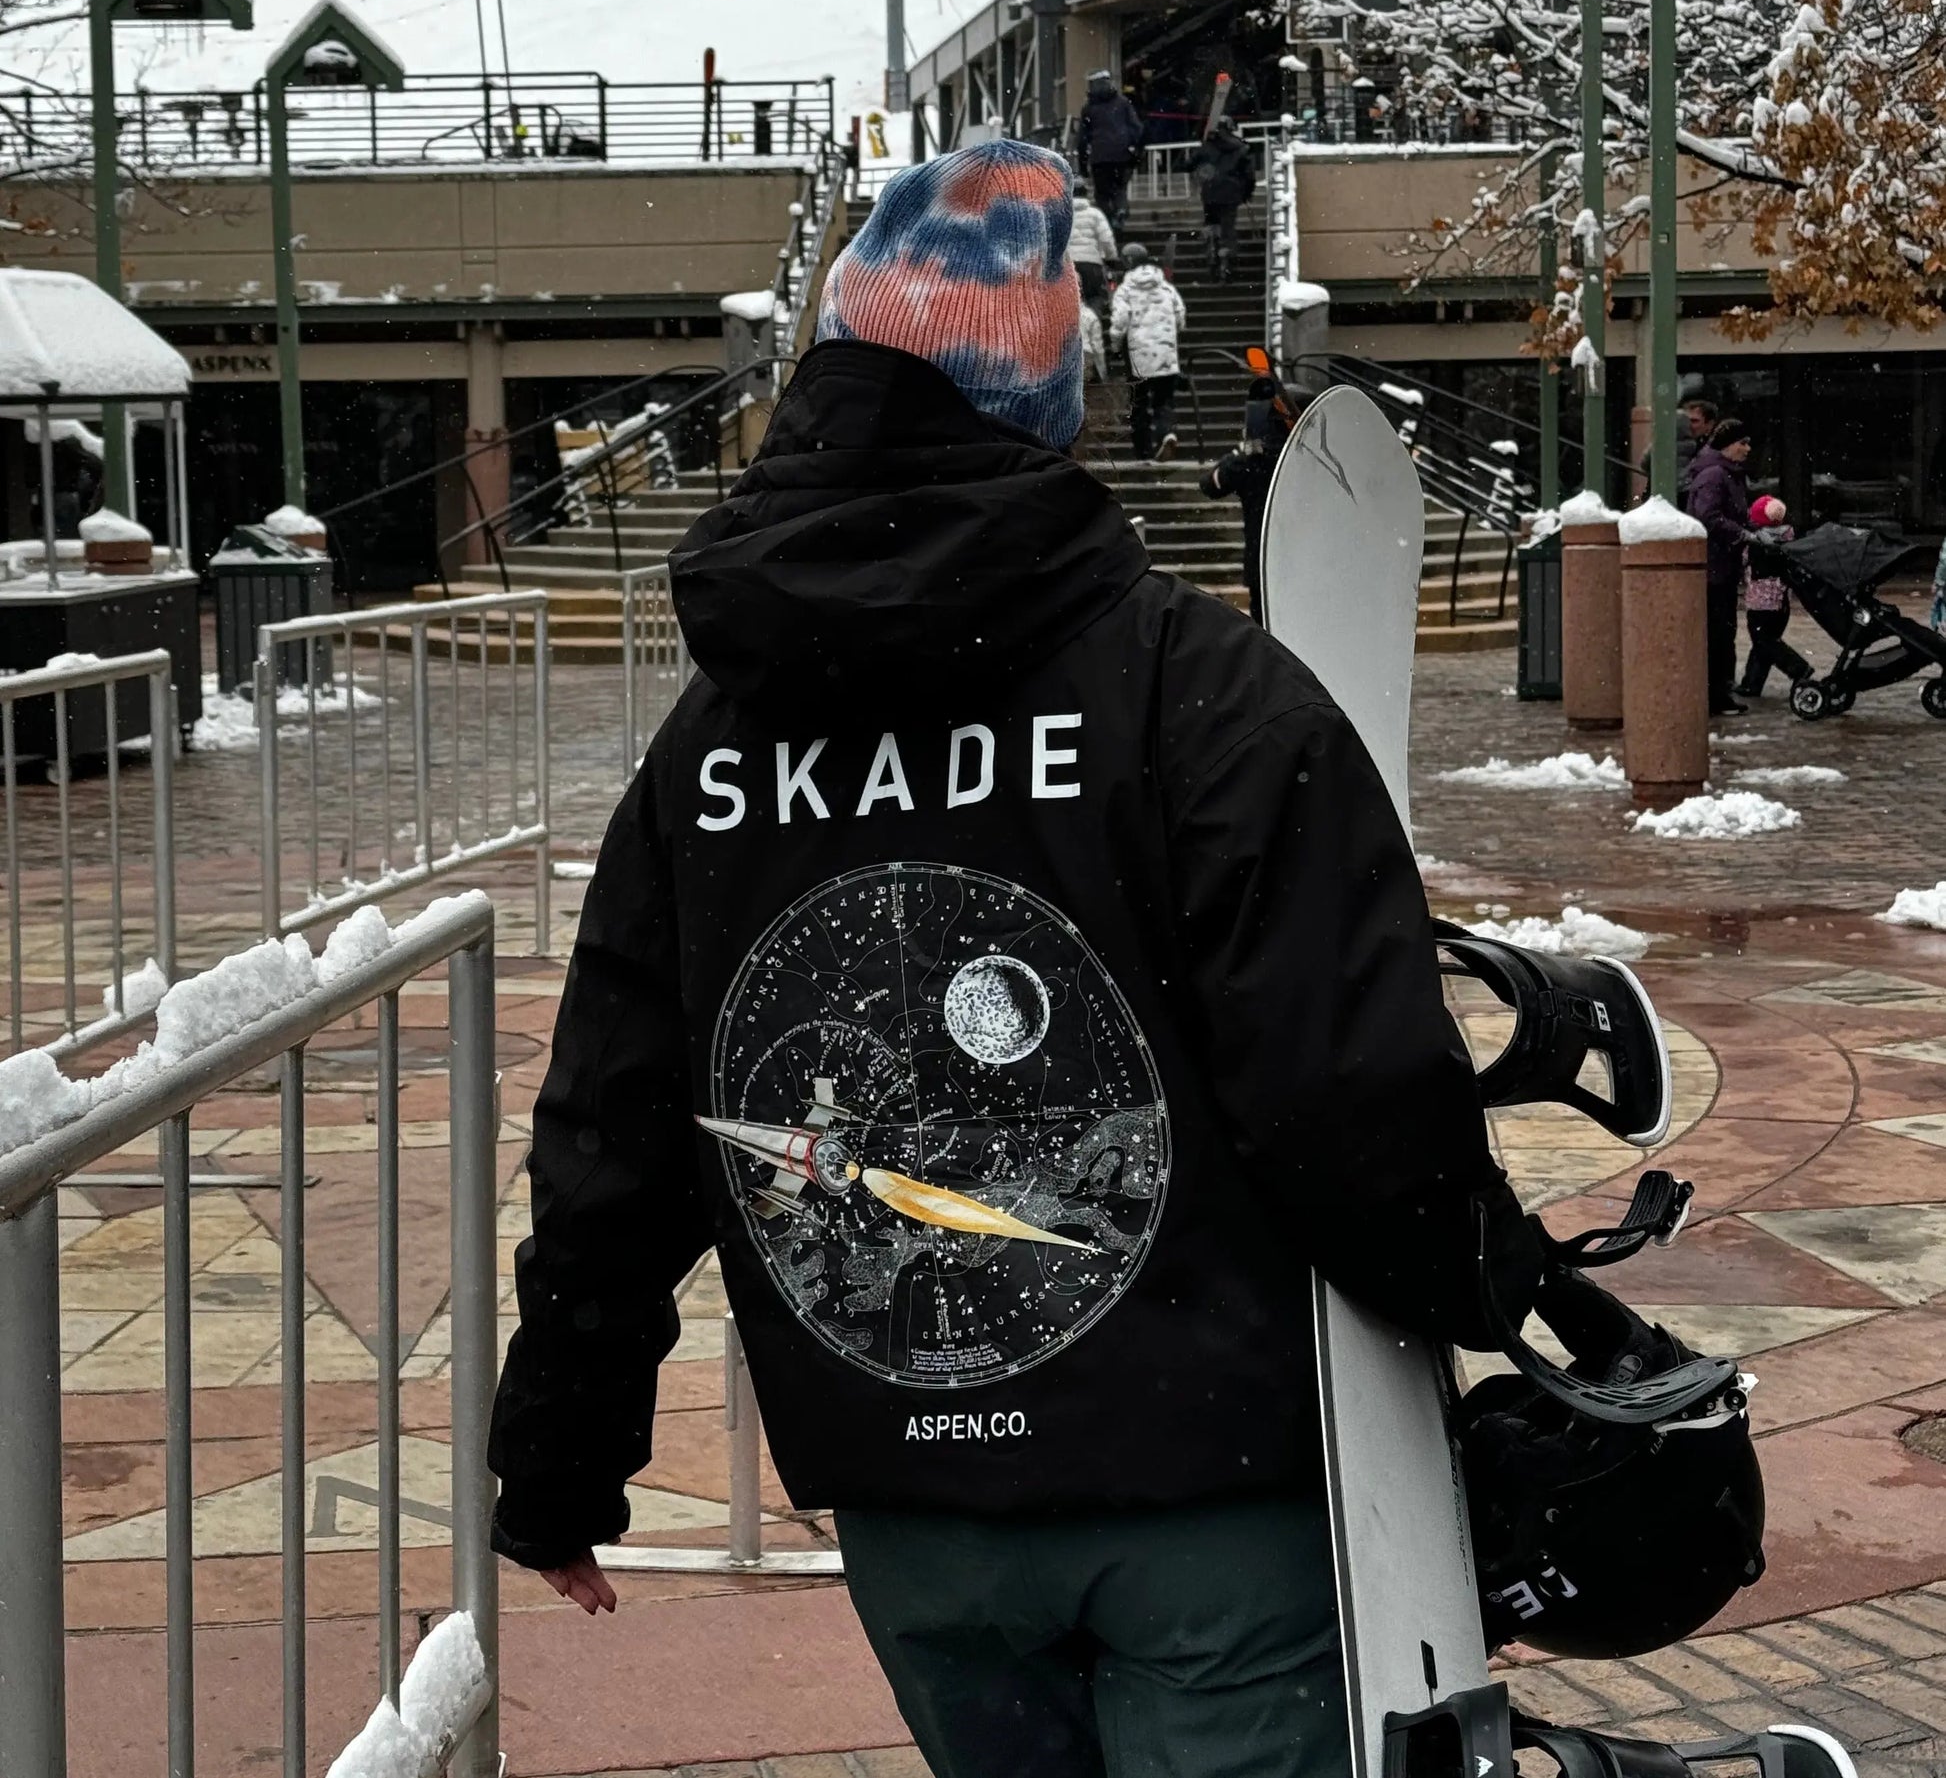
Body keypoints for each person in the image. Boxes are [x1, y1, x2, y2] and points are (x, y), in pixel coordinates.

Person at [486, 135, 1545, 1778]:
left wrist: (558, 1449)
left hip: (914, 1497)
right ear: (1046, 400)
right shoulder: (1198, 693)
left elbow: (615, 1126)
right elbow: (1348, 1093)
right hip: (1209, 1475)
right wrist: (1490, 1287)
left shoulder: (709, 748)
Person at [1201, 373, 1296, 621]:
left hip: (1263, 563)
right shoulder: (1304, 461)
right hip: (1303, 564)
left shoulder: (1250, 462)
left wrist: (1244, 452)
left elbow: (1210, 484)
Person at [1685, 416, 1754, 715]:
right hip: (1715, 568)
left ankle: (1719, 693)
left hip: (1721, 566)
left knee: (1722, 632)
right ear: (1727, 445)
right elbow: (1709, 517)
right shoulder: (1716, 475)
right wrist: (1742, 533)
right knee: (1719, 633)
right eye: (1743, 443)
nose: (1747, 449)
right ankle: (1717, 695)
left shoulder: (1725, 474)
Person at [1109, 240, 1187, 461]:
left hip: (1138, 358)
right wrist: (1169, 336)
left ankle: (1143, 451)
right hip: (1165, 355)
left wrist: (1115, 345)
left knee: (1139, 405)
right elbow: (1180, 315)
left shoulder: (1125, 289)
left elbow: (1120, 321)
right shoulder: (1165, 287)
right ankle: (1167, 433)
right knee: (1164, 401)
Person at [1740, 493, 1813, 698]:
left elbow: (1743, 561)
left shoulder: (1757, 543)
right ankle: (1752, 683)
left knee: (1764, 641)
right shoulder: (1789, 538)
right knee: (1765, 641)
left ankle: (1798, 668)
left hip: (1760, 603)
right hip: (1782, 602)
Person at [1076, 68, 1143, 231]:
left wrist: (1083, 164)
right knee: (1120, 187)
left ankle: (1110, 220)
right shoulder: (1123, 103)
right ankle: (1121, 210)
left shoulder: (1089, 108)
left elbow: (1082, 138)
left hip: (1100, 156)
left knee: (1102, 193)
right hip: (1122, 154)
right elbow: (1137, 128)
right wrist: (1136, 150)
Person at [1192, 118, 1256, 281]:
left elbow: (1189, 163)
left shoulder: (1207, 147)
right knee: (1228, 228)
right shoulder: (1241, 147)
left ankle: (1211, 250)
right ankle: (1226, 259)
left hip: (1210, 193)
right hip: (1231, 194)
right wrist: (1247, 193)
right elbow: (1249, 175)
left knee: (1211, 225)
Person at [1069, 176, 1120, 311]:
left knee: (1068, 302)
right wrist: (1111, 258)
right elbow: (1106, 239)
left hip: (1067, 265)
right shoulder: (1095, 214)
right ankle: (1094, 326)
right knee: (1094, 297)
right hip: (1092, 264)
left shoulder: (1061, 215)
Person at [1675, 398, 1717, 510]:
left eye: (1694, 421)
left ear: (1709, 424)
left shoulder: (1714, 449)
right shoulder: (1674, 443)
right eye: (1686, 420)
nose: (1688, 425)